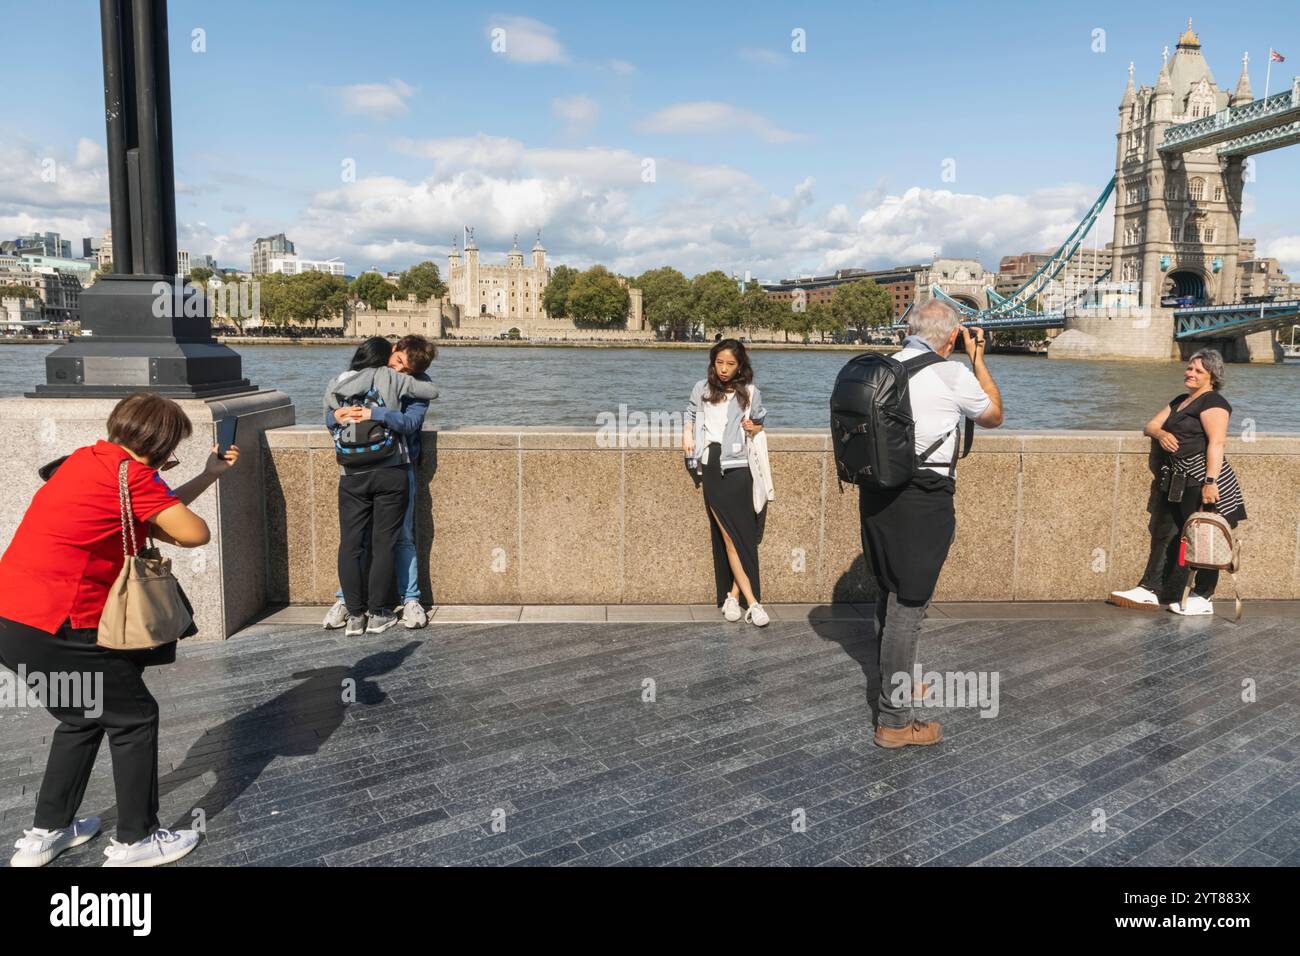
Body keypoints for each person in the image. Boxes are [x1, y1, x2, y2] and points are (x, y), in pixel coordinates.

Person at [0, 391, 239, 867]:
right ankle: (137, 840)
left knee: (83, 715)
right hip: (64, 624)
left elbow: (147, 513)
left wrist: (207, 476)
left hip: (13, 620)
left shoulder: (84, 461)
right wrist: (179, 487)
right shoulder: (131, 478)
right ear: (162, 442)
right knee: (134, 718)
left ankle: (46, 833)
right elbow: (194, 533)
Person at [860, 299, 1003, 749]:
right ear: (950, 336)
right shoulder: (952, 373)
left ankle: (895, 686)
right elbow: (994, 415)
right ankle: (896, 721)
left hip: (877, 493)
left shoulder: (883, 367)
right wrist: (977, 359)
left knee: (889, 593)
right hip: (924, 498)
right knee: (910, 608)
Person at [1110, 348, 1247, 616]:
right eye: (1189, 368)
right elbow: (1149, 425)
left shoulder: (1214, 403)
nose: (1190, 373)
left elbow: (1217, 444)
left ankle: (1204, 595)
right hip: (1177, 480)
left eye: (1198, 370)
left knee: (1204, 535)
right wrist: (1161, 433)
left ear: (1212, 376)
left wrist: (1211, 482)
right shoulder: (1181, 401)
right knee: (1167, 535)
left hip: (1200, 479)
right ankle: (1150, 589)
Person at [324, 337, 439, 637]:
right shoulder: (363, 377)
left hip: (398, 465)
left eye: (408, 369)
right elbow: (331, 414)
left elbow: (411, 422)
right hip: (368, 468)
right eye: (398, 361)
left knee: (398, 538)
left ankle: (409, 598)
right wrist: (335, 415)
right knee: (359, 542)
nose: (400, 370)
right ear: (392, 350)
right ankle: (350, 602)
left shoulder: (409, 383)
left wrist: (375, 414)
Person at [683, 338, 770, 627]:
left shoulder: (750, 392)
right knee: (730, 537)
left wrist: (753, 426)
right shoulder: (702, 389)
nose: (723, 369)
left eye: (730, 364)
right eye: (719, 362)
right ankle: (754, 603)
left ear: (740, 365)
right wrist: (687, 435)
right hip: (712, 465)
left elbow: (759, 422)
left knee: (742, 537)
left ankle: (734, 597)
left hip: (740, 468)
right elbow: (691, 414)